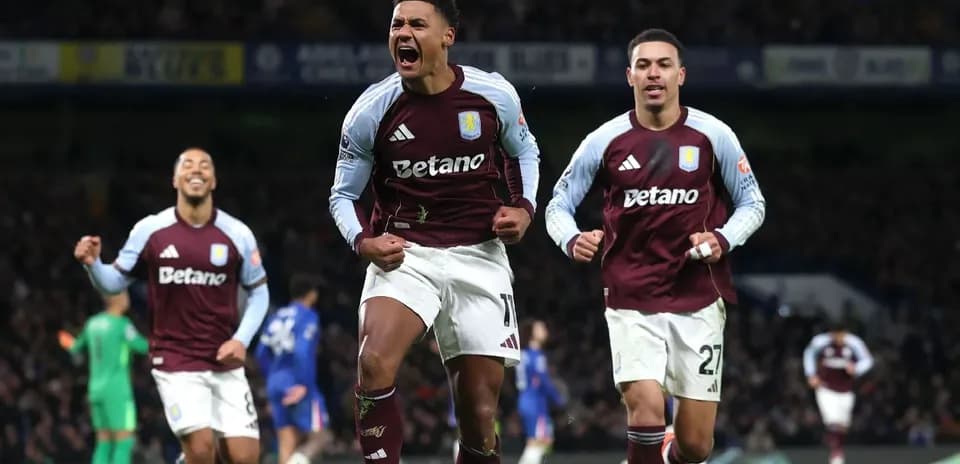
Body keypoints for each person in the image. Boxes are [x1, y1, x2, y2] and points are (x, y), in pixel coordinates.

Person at [327, 0, 541, 461]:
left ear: (448, 36)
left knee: (480, 418)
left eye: (417, 24)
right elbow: (342, 196)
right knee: (372, 361)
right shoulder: (370, 111)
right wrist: (363, 241)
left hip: (480, 257)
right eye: (396, 24)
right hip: (407, 256)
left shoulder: (492, 94)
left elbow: (525, 152)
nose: (403, 32)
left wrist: (523, 207)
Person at [544, 28, 766, 464]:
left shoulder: (713, 135)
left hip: (698, 300)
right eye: (643, 65)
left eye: (663, 65)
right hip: (631, 298)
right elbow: (557, 205)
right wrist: (571, 238)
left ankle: (668, 453)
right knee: (645, 410)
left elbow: (752, 203)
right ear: (630, 76)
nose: (653, 73)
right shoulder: (603, 140)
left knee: (697, 447)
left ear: (680, 75)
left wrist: (722, 239)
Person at [73, 148, 270, 464]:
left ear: (214, 180)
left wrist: (240, 340)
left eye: (204, 165)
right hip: (175, 360)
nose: (196, 170)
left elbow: (260, 293)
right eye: (187, 165)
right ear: (175, 179)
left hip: (223, 359)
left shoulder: (237, 233)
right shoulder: (150, 230)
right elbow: (113, 283)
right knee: (202, 450)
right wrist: (93, 264)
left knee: (244, 458)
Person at [58, 290, 148, 464]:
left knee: (104, 442)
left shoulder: (92, 323)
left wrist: (64, 339)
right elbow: (143, 346)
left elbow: (75, 347)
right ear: (118, 298)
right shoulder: (122, 324)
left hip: (96, 390)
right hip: (117, 391)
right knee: (124, 441)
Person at [255, 277, 329, 464]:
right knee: (321, 438)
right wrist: (302, 384)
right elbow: (302, 351)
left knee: (287, 442)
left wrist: (272, 379)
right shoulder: (308, 316)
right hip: (298, 382)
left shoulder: (276, 316)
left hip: (275, 383)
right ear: (312, 294)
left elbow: (260, 353)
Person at [803, 322, 874, 464]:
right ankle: (836, 455)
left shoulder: (854, 343)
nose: (839, 338)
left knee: (842, 425)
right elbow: (808, 354)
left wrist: (857, 368)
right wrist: (811, 374)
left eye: (842, 335)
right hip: (826, 388)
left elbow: (868, 360)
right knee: (832, 421)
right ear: (831, 334)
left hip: (846, 390)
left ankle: (837, 451)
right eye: (836, 335)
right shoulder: (820, 342)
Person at [515, 320, 564, 464]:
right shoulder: (537, 356)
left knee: (537, 440)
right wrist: (558, 399)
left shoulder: (523, 354)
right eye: (540, 328)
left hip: (525, 400)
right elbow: (543, 381)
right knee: (541, 441)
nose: (545, 331)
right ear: (531, 333)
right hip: (535, 402)